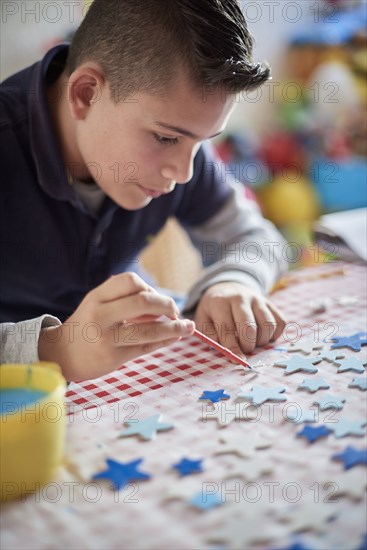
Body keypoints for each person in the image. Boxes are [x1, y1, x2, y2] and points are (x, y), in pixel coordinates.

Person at [0, 0, 288, 381]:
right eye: (166, 137)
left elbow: (256, 237)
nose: (184, 174)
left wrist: (234, 279)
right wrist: (55, 349)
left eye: (202, 142)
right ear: (85, 93)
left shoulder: (183, 147)